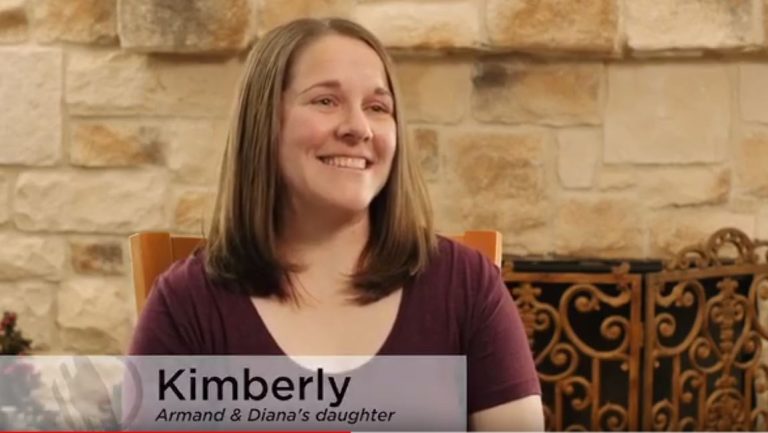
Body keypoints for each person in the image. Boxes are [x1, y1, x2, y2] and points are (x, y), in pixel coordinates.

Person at [129, 17, 543, 431]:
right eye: (325, 101)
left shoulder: (468, 285)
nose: (358, 128)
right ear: (263, 122)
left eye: (378, 107)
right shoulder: (185, 305)